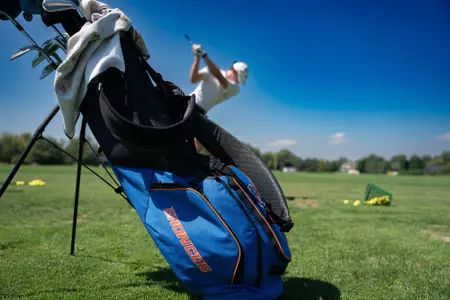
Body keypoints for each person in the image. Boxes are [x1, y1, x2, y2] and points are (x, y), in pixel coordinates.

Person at [189, 43, 249, 153]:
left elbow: (220, 77)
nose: (238, 82)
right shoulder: (211, 70)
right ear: (235, 72)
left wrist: (204, 55)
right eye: (238, 78)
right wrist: (197, 57)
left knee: (198, 145)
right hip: (189, 103)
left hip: (200, 112)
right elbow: (193, 79)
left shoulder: (235, 89)